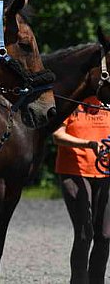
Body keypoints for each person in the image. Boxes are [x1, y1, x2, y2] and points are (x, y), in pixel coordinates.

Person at [53, 96, 110, 284]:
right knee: (85, 232)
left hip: (105, 173)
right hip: (74, 171)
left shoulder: (107, 104)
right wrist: (87, 144)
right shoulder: (72, 103)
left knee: (104, 235)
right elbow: (57, 136)